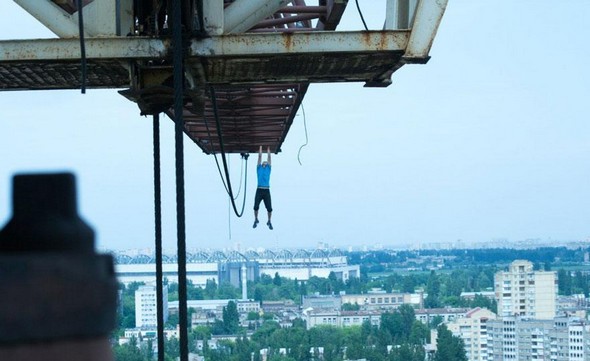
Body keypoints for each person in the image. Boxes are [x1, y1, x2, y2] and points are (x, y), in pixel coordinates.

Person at [253, 146, 273, 230]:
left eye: (265, 163)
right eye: (263, 163)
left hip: (266, 190)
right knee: (256, 206)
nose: (264, 163)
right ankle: (256, 219)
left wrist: (268, 150)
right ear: (261, 165)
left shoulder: (268, 169)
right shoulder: (259, 168)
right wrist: (260, 146)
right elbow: (260, 156)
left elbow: (269, 157)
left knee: (269, 208)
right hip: (259, 189)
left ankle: (269, 221)